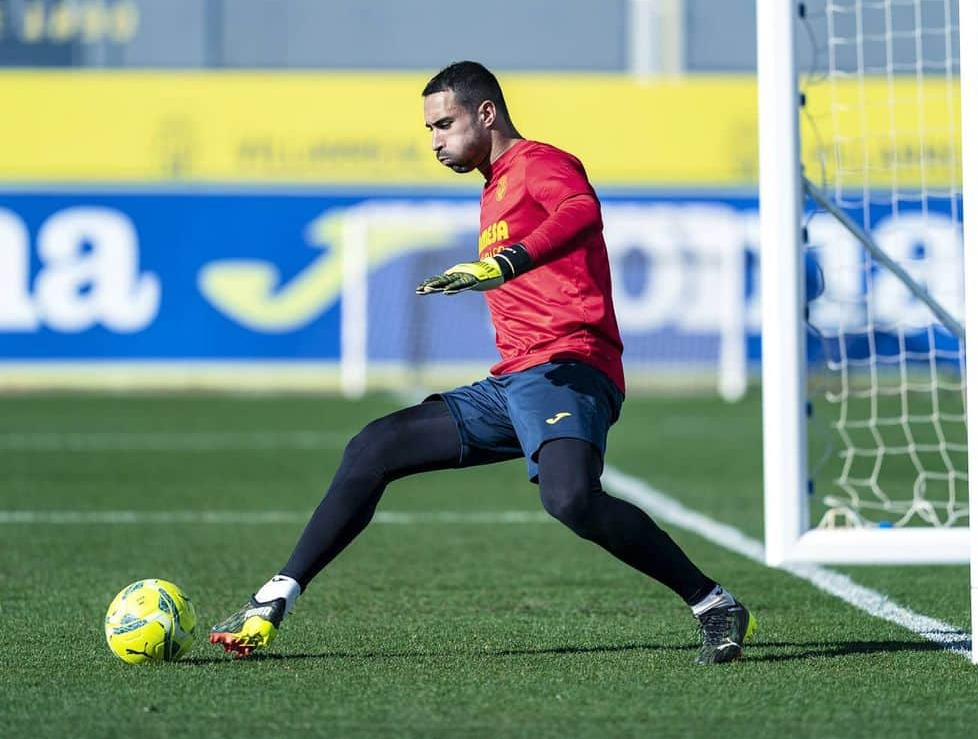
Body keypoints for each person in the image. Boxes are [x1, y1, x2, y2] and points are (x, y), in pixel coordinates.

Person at [209, 61, 756, 665]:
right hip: (517, 380)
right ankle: (276, 595)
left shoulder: (539, 162)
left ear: (486, 113)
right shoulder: (493, 185)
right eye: (430, 130)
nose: (435, 141)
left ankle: (712, 602)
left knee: (570, 499)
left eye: (444, 124)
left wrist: (505, 264)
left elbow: (581, 211)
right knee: (373, 447)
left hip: (567, 367)